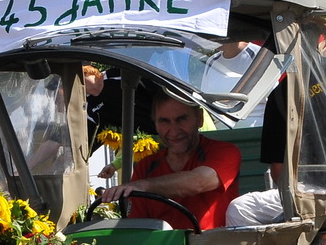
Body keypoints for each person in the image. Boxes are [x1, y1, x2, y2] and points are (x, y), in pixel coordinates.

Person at [100, 95, 241, 230]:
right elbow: (138, 227)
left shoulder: (224, 152)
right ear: (155, 124)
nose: (173, 131)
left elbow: (199, 181)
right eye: (164, 121)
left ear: (199, 118)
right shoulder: (146, 167)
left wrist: (145, 185)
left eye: (181, 119)